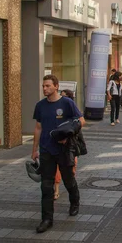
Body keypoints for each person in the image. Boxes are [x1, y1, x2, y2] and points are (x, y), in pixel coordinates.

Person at [32, 75, 84, 233]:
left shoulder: (67, 103)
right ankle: (47, 219)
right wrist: (34, 150)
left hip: (63, 149)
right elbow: (38, 127)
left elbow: (81, 121)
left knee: (68, 180)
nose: (44, 88)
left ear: (56, 86)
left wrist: (68, 133)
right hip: (46, 150)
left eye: (47, 86)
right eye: (43, 86)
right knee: (46, 186)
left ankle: (74, 201)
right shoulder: (40, 105)